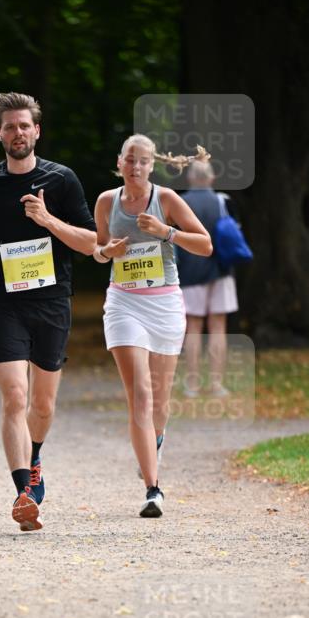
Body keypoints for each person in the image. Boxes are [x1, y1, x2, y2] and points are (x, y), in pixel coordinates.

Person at [0, 92, 97, 532]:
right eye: (9, 126)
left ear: (37, 131)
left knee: (43, 405)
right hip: (3, 303)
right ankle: (23, 493)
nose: (18, 133)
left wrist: (49, 220)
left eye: (24, 126)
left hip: (52, 303)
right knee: (15, 396)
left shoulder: (62, 180)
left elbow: (91, 244)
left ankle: (34, 457)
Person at [93, 135, 212, 518]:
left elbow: (205, 245)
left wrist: (166, 233)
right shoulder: (106, 202)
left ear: (152, 165)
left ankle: (154, 441)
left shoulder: (167, 200)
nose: (137, 167)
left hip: (164, 304)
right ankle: (153, 489)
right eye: (131, 160)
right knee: (141, 396)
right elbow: (98, 251)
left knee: (159, 402)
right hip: (124, 303)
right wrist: (108, 251)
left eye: (144, 161)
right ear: (120, 163)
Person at [175, 160, 240, 397]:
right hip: (222, 270)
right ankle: (216, 384)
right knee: (218, 327)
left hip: (190, 273)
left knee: (193, 327)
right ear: (211, 178)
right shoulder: (223, 201)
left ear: (191, 179)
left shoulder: (181, 202)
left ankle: (192, 384)